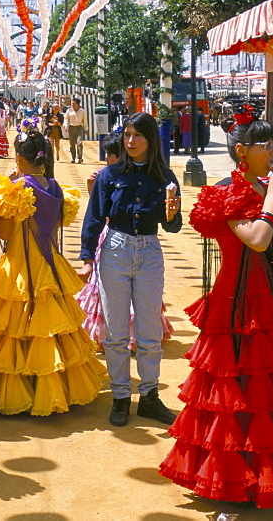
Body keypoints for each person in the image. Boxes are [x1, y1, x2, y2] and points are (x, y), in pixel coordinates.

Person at [159, 107, 273, 506]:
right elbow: (258, 239)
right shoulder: (228, 193)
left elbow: (270, 234)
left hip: (265, 292)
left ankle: (264, 471)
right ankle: (231, 474)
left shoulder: (261, 188)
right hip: (236, 297)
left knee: (264, 384)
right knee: (233, 385)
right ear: (243, 151)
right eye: (267, 144)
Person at [0, 130, 106, 415]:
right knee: (51, 326)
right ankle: (54, 388)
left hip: (20, 267)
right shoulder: (57, 188)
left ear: (18, 157)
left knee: (15, 326)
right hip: (50, 264)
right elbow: (53, 225)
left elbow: (4, 231)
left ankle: (20, 390)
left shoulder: (18, 188)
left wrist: (1, 202)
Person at [80, 112, 183, 427]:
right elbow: (95, 216)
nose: (131, 141)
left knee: (150, 331)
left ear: (151, 139)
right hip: (115, 250)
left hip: (150, 251)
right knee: (115, 331)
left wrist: (172, 212)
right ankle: (121, 396)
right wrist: (86, 257)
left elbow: (174, 226)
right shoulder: (109, 176)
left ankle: (150, 396)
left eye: (138, 135)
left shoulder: (165, 177)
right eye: (127, 135)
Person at [65, 98, 87, 164]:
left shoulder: (83, 111)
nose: (72, 104)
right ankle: (73, 158)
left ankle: (80, 158)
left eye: (74, 103)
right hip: (71, 127)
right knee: (72, 144)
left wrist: (86, 129)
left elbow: (85, 121)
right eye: (72, 103)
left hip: (79, 128)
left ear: (78, 104)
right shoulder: (69, 110)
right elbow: (66, 119)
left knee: (79, 143)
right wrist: (66, 126)